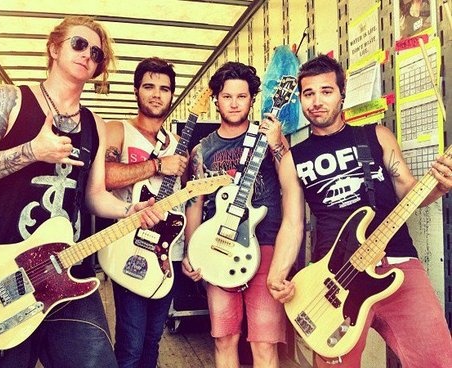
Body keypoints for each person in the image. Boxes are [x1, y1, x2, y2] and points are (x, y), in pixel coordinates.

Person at [0, 16, 162, 368]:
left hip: (69, 274)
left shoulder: (95, 123)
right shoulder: (11, 98)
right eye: (78, 44)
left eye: (96, 52)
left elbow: (93, 195)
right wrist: (32, 151)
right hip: (3, 273)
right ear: (54, 47)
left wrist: (130, 212)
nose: (88, 55)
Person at [267, 54, 452, 367]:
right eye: (308, 93)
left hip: (396, 264)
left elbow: (410, 192)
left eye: (326, 91)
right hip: (332, 279)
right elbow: (293, 223)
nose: (316, 101)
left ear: (342, 93)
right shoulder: (292, 159)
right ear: (300, 99)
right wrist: (277, 273)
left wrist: (440, 187)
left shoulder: (376, 136)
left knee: (436, 359)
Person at [182, 61, 288, 368]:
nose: (233, 103)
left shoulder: (269, 138)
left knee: (264, 342)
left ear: (252, 100)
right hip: (217, 247)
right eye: (227, 96)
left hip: (265, 244)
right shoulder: (202, 150)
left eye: (241, 96)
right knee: (224, 338)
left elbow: (291, 183)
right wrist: (192, 251)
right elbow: (195, 203)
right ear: (215, 99)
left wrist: (278, 144)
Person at [103, 57, 188, 368]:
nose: (156, 94)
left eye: (164, 88)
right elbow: (107, 177)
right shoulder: (118, 130)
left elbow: (185, 198)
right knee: (131, 342)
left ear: (171, 95)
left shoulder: (178, 144)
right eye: (149, 86)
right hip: (130, 247)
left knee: (153, 341)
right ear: (136, 90)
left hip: (167, 252)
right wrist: (155, 165)